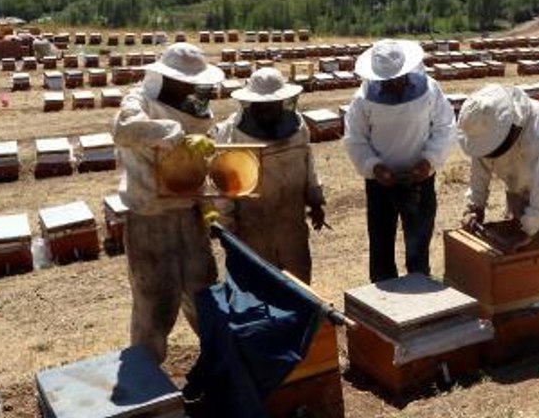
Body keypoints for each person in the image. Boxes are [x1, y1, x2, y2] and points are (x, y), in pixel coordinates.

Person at [113, 41, 223, 364]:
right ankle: (149, 387)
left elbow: (199, 159)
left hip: (189, 213)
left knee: (204, 291)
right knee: (153, 303)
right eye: (183, 81)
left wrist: (208, 207)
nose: (190, 87)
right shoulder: (140, 100)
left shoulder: (196, 104)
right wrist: (174, 133)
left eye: (193, 82)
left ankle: (218, 367)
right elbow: (123, 128)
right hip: (150, 216)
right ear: (165, 77)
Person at [343, 39, 456, 282]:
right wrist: (374, 167)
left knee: (418, 243)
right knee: (381, 245)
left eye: (397, 78)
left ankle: (419, 286)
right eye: (387, 80)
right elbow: (355, 139)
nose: (393, 84)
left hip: (421, 179)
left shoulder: (430, 89)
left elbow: (445, 127)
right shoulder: (362, 99)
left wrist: (429, 161)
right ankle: (384, 296)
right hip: (379, 183)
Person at [212, 67, 326, 284]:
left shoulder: (298, 127)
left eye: (272, 105)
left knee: (299, 287)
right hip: (251, 229)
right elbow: (223, 187)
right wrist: (227, 228)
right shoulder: (231, 133)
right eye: (261, 106)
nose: (267, 111)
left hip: (292, 225)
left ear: (282, 102)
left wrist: (316, 201)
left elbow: (308, 164)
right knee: (258, 289)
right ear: (251, 104)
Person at [457, 83, 539, 250]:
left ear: (510, 128)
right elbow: (479, 169)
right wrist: (475, 206)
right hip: (518, 184)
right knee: (517, 248)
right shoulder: (482, 131)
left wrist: (526, 231)